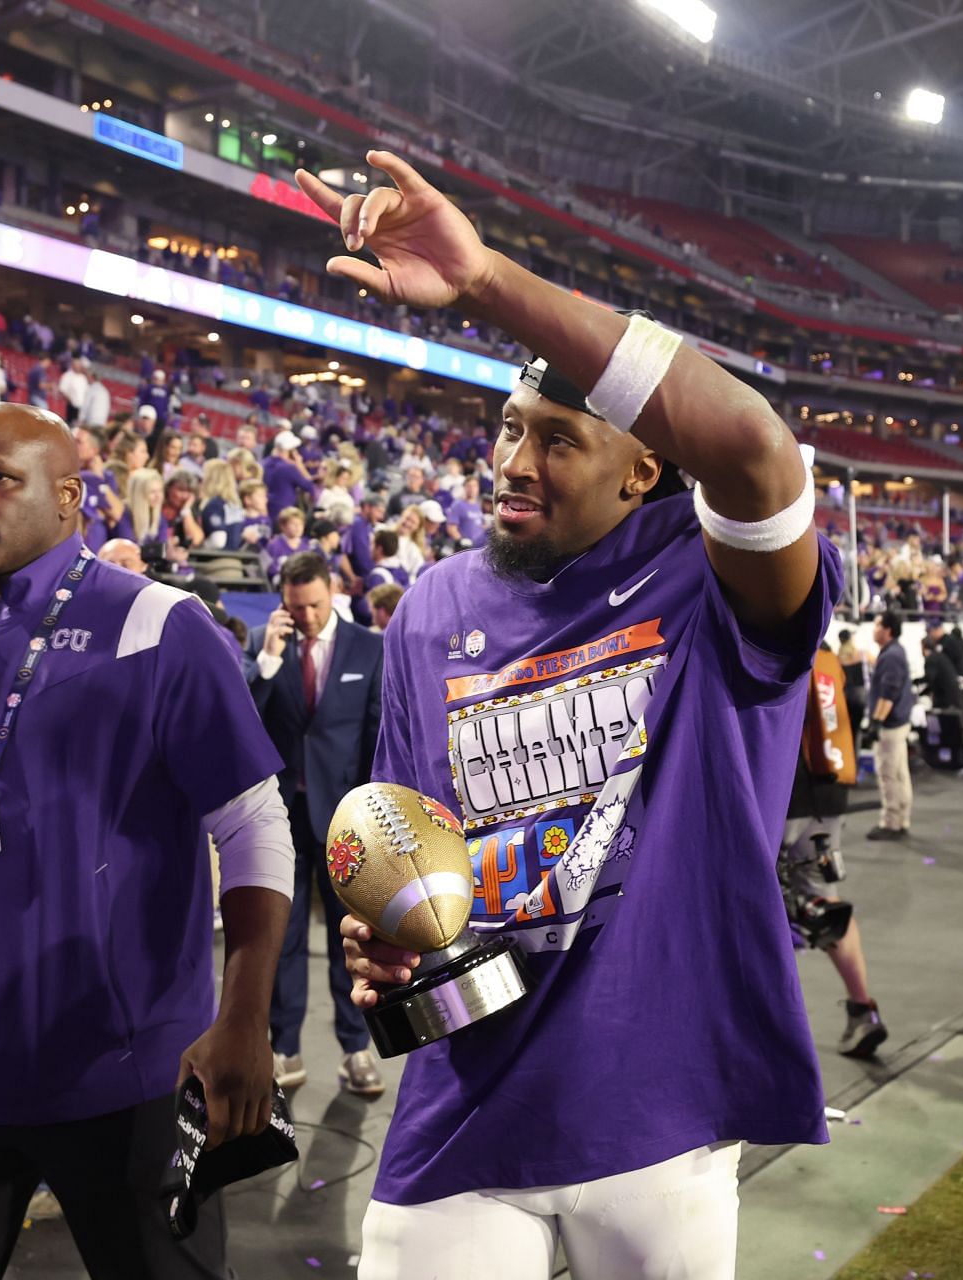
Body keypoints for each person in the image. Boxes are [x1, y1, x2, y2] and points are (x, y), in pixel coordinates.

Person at [300, 152, 837, 1279]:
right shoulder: (434, 603)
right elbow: (414, 830)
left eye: (557, 438)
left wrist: (487, 276)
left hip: (660, 1112)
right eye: (509, 426)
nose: (513, 461)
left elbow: (751, 448)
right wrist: (393, 933)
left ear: (645, 469)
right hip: (468, 1094)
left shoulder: (709, 581)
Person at [0, 404, 295, 1278]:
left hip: (126, 1085)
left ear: (69, 498)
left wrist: (244, 1018)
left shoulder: (160, 626)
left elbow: (253, 825)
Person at [247, 551, 385, 1097]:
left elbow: (375, 737)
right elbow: (244, 719)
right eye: (294, 605)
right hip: (279, 815)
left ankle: (356, 1050)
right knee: (283, 940)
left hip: (344, 822)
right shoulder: (266, 642)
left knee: (349, 939)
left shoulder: (369, 646)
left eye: (313, 604)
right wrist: (267, 662)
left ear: (332, 593)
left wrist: (370, 815)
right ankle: (286, 1047)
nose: (304, 615)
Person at [783, 644, 889, 1059]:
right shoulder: (826, 657)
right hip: (831, 792)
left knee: (755, 906)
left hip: (785, 792)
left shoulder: (764, 636)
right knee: (825, 899)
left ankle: (768, 1029)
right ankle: (863, 1009)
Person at [867, 610, 915, 840]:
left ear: (887, 630)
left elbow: (888, 692)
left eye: (877, 625)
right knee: (899, 772)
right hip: (899, 722)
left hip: (891, 725)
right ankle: (901, 819)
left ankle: (891, 823)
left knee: (888, 774)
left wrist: (876, 722)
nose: (874, 629)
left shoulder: (891, 656)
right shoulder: (894, 652)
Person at [837, 626, 868, 731]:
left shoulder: (836, 658)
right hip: (859, 695)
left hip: (844, 695)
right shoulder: (862, 654)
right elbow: (879, 664)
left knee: (845, 728)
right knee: (856, 728)